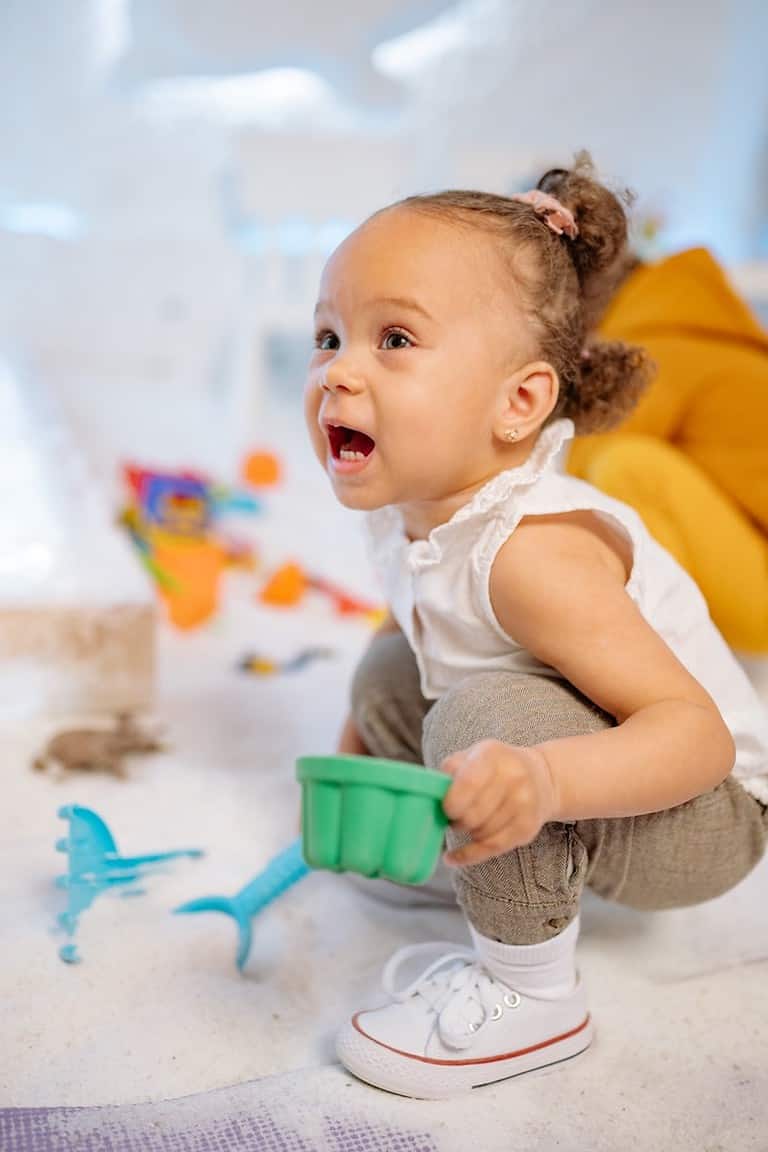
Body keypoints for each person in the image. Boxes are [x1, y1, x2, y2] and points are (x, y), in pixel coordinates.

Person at [303, 154, 768, 1100]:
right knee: (394, 669)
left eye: (393, 339)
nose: (340, 373)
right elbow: (413, 625)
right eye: (328, 336)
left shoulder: (536, 556)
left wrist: (543, 779)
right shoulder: (413, 511)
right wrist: (366, 757)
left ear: (519, 403)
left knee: (487, 722)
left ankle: (532, 996)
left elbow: (698, 736)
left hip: (707, 814)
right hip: (605, 765)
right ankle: (486, 861)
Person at [566, 245, 768, 653]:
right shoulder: (703, 332)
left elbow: (577, 468)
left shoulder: (657, 351)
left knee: (628, 465)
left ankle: (646, 655)